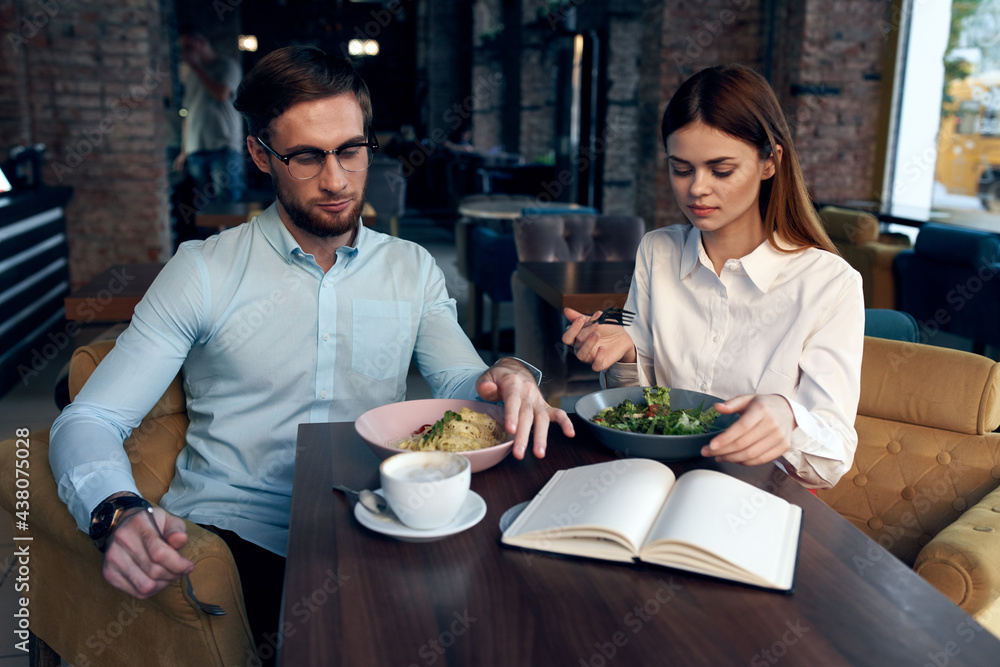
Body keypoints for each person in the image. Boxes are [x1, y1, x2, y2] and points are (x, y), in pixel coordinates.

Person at [50, 45, 574, 664]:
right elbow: (89, 419)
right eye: (305, 156)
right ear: (259, 155)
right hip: (236, 535)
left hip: (373, 516)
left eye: (351, 151)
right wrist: (115, 510)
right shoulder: (203, 271)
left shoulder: (411, 268)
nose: (336, 180)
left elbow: (463, 382)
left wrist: (510, 371)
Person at [563, 64, 864, 490]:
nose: (696, 189)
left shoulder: (830, 284)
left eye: (721, 170)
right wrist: (626, 354)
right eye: (681, 169)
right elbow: (639, 403)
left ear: (770, 162)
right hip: (652, 478)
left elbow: (833, 459)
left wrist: (788, 416)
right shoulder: (657, 250)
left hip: (753, 496)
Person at [172, 25, 245, 206]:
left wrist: (196, 67)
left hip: (223, 145)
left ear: (202, 43)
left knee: (227, 199)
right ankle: (214, 235)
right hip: (196, 148)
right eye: (181, 49)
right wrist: (183, 151)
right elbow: (188, 113)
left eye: (188, 47)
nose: (184, 53)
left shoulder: (227, 66)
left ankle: (231, 235)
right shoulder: (190, 75)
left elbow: (220, 94)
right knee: (203, 205)